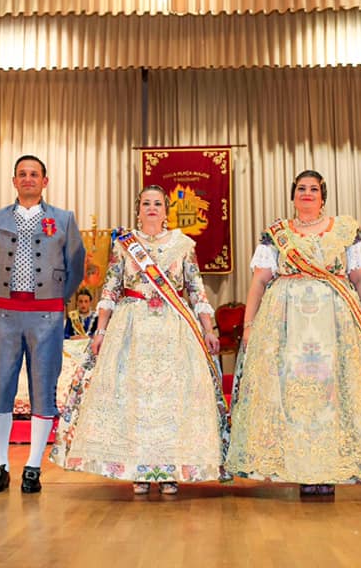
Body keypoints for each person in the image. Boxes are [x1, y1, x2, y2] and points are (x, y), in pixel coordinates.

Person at [226, 170, 361, 497]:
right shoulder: (277, 234)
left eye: (313, 189)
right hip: (284, 324)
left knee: (334, 391)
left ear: (322, 196)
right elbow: (259, 281)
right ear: (293, 195)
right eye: (301, 188)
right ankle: (299, 465)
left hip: (336, 322)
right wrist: (249, 324)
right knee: (291, 393)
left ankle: (330, 466)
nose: (307, 193)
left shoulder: (345, 230)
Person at [50, 186, 228, 496]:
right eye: (146, 203)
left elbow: (196, 290)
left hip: (174, 329)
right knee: (135, 400)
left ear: (166, 211)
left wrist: (208, 329)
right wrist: (100, 330)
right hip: (132, 327)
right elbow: (110, 289)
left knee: (171, 401)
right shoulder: (124, 246)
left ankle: (170, 470)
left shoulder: (183, 245)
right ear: (138, 210)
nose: (152, 208)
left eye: (158, 203)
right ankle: (137, 469)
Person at [0, 155, 85, 494]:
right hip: (5, 314)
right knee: (0, 387)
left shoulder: (63, 219)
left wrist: (56, 299)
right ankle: (0, 465)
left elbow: (76, 265)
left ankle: (33, 467)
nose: (28, 179)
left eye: (34, 174)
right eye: (22, 174)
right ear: (14, 181)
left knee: (43, 388)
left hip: (47, 315)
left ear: (44, 181)